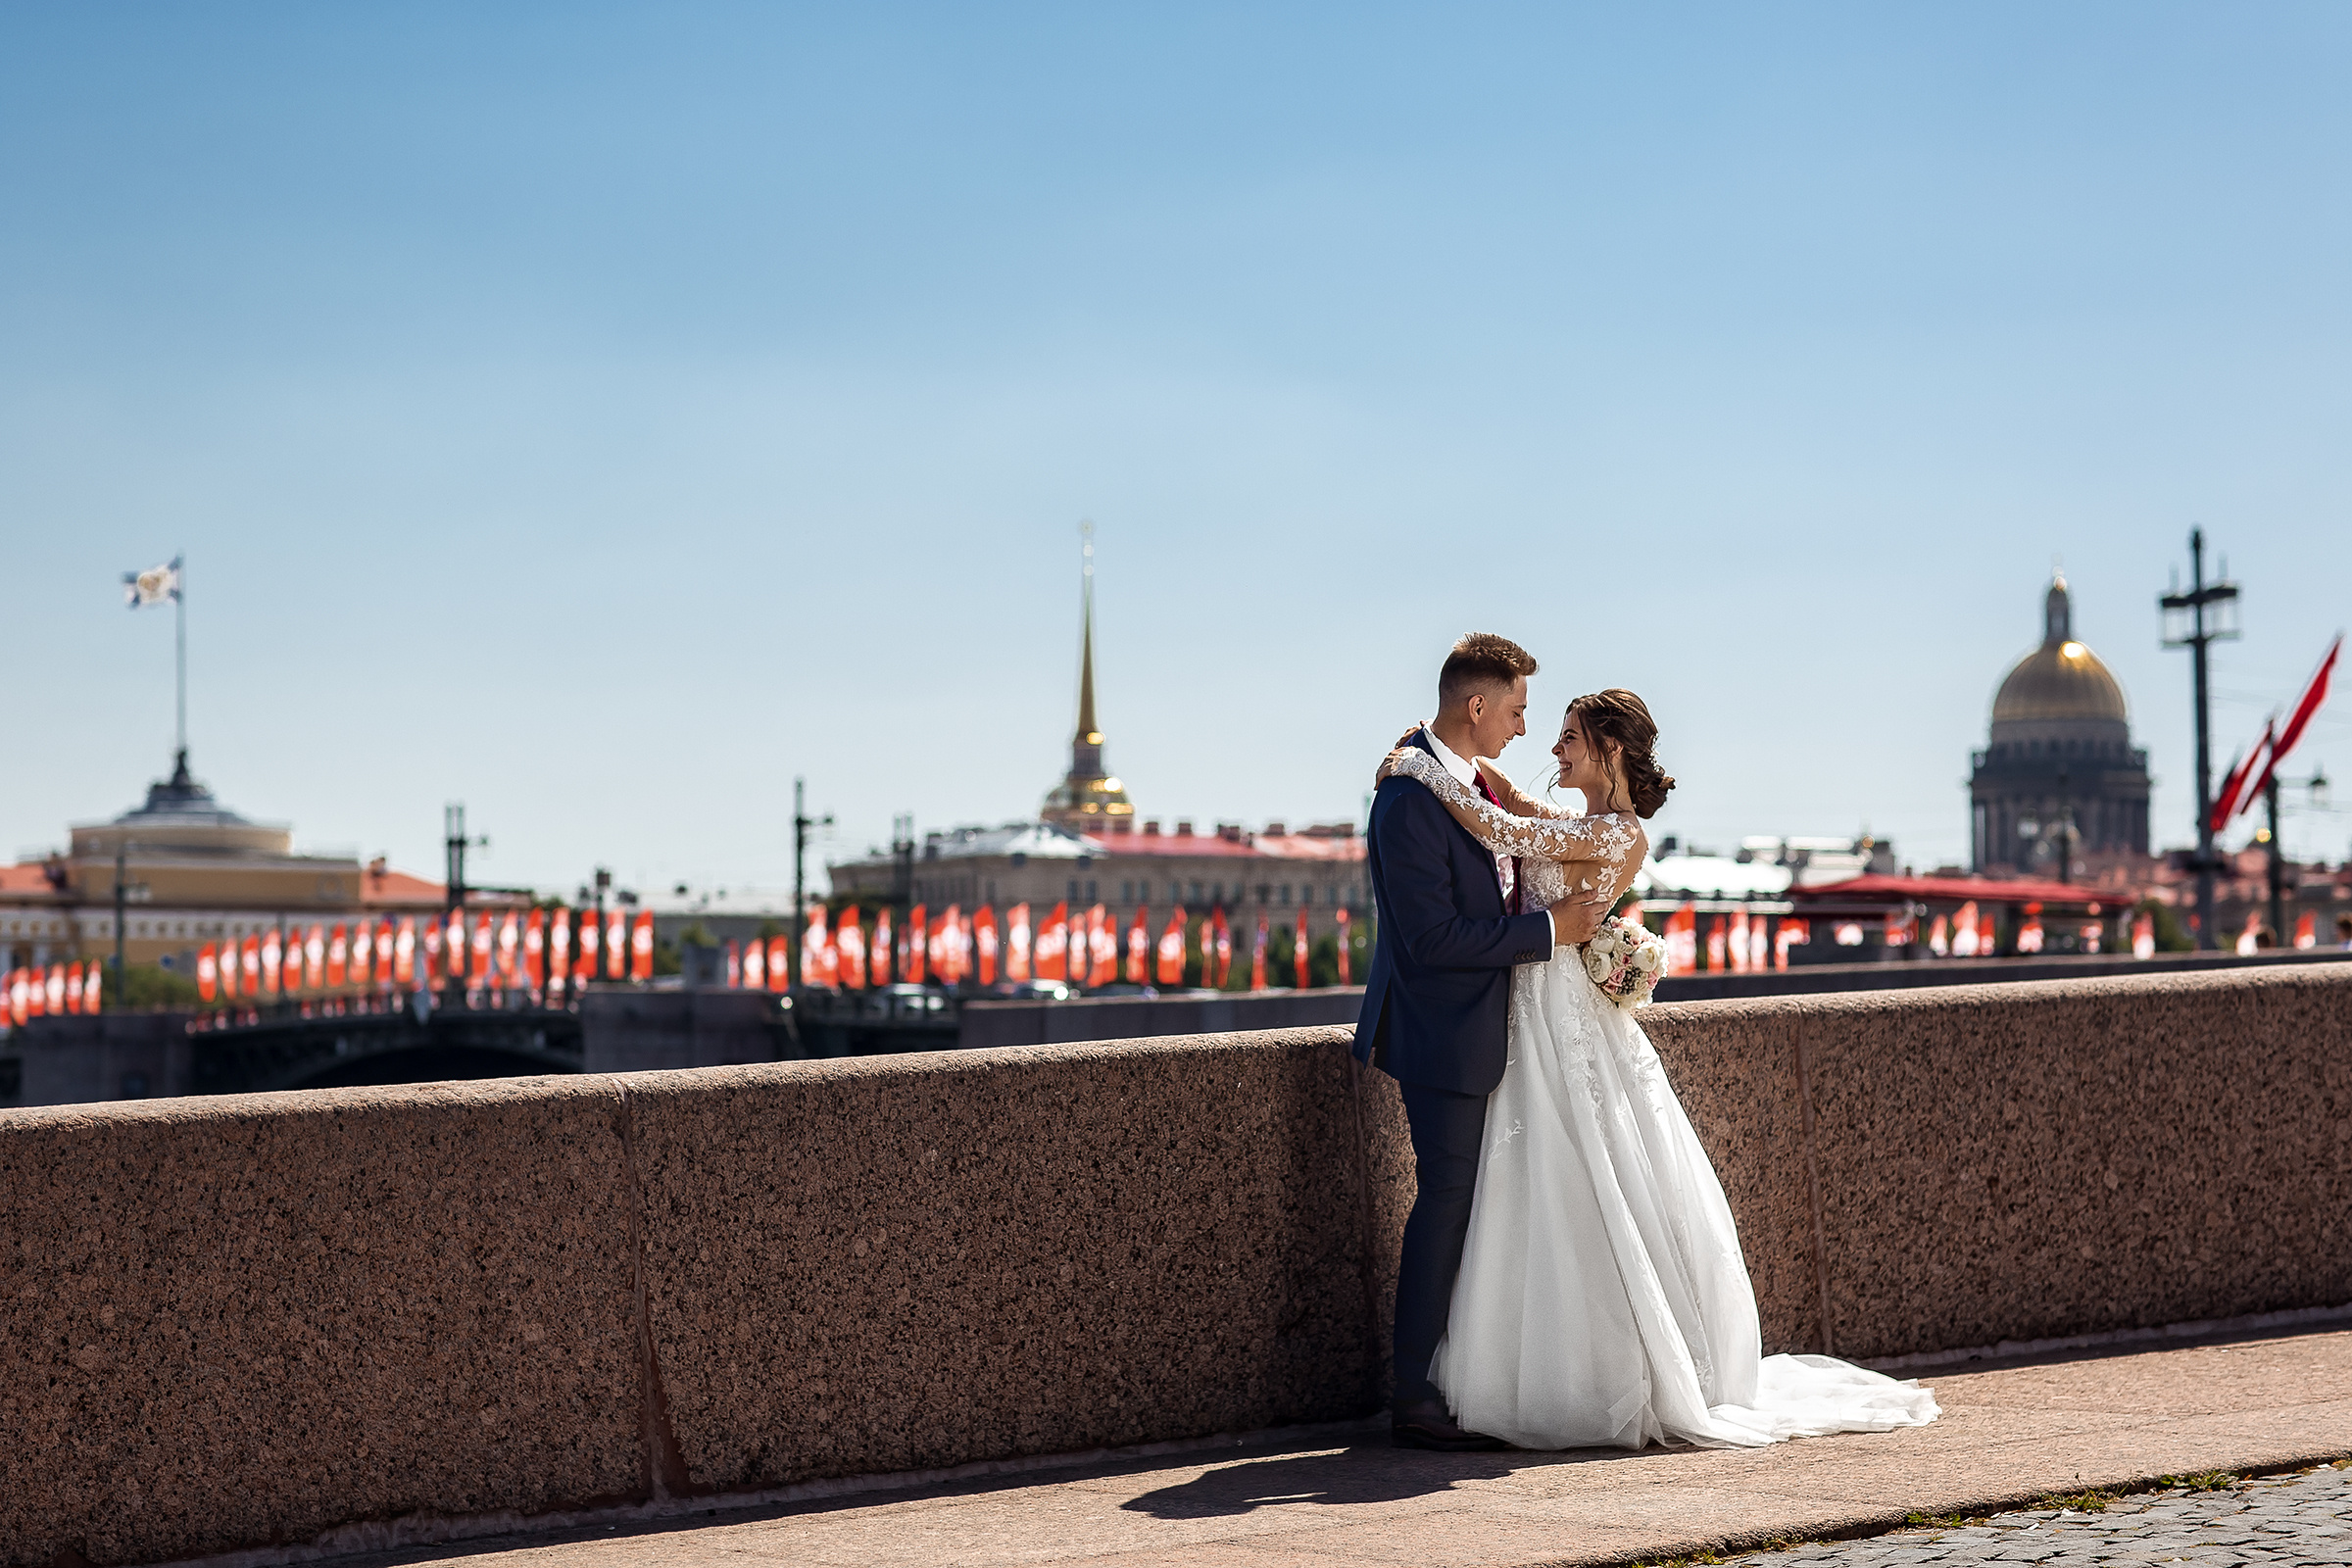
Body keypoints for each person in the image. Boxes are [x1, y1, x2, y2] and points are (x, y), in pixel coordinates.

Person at [1372, 688, 1940, 1449]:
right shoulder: (1584, 827)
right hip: (1535, 1012)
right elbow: (1516, 813)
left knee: (1583, 1175)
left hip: (1557, 1013)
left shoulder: (1619, 836)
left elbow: (1500, 827)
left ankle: (1582, 1372)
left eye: (1569, 737)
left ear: (1608, 749)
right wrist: (1461, 768)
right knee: (1545, 1177)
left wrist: (1415, 769)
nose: (1553, 748)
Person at [1354, 633, 1611, 1450]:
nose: (1524, 730)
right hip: (1441, 1033)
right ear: (1477, 706)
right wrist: (1549, 932)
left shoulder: (1460, 783)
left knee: (1475, 1205)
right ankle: (1414, 1396)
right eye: (1516, 710)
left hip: (1491, 1027)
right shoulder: (1406, 800)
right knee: (1447, 1204)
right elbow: (1430, 940)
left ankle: (1463, 1380)